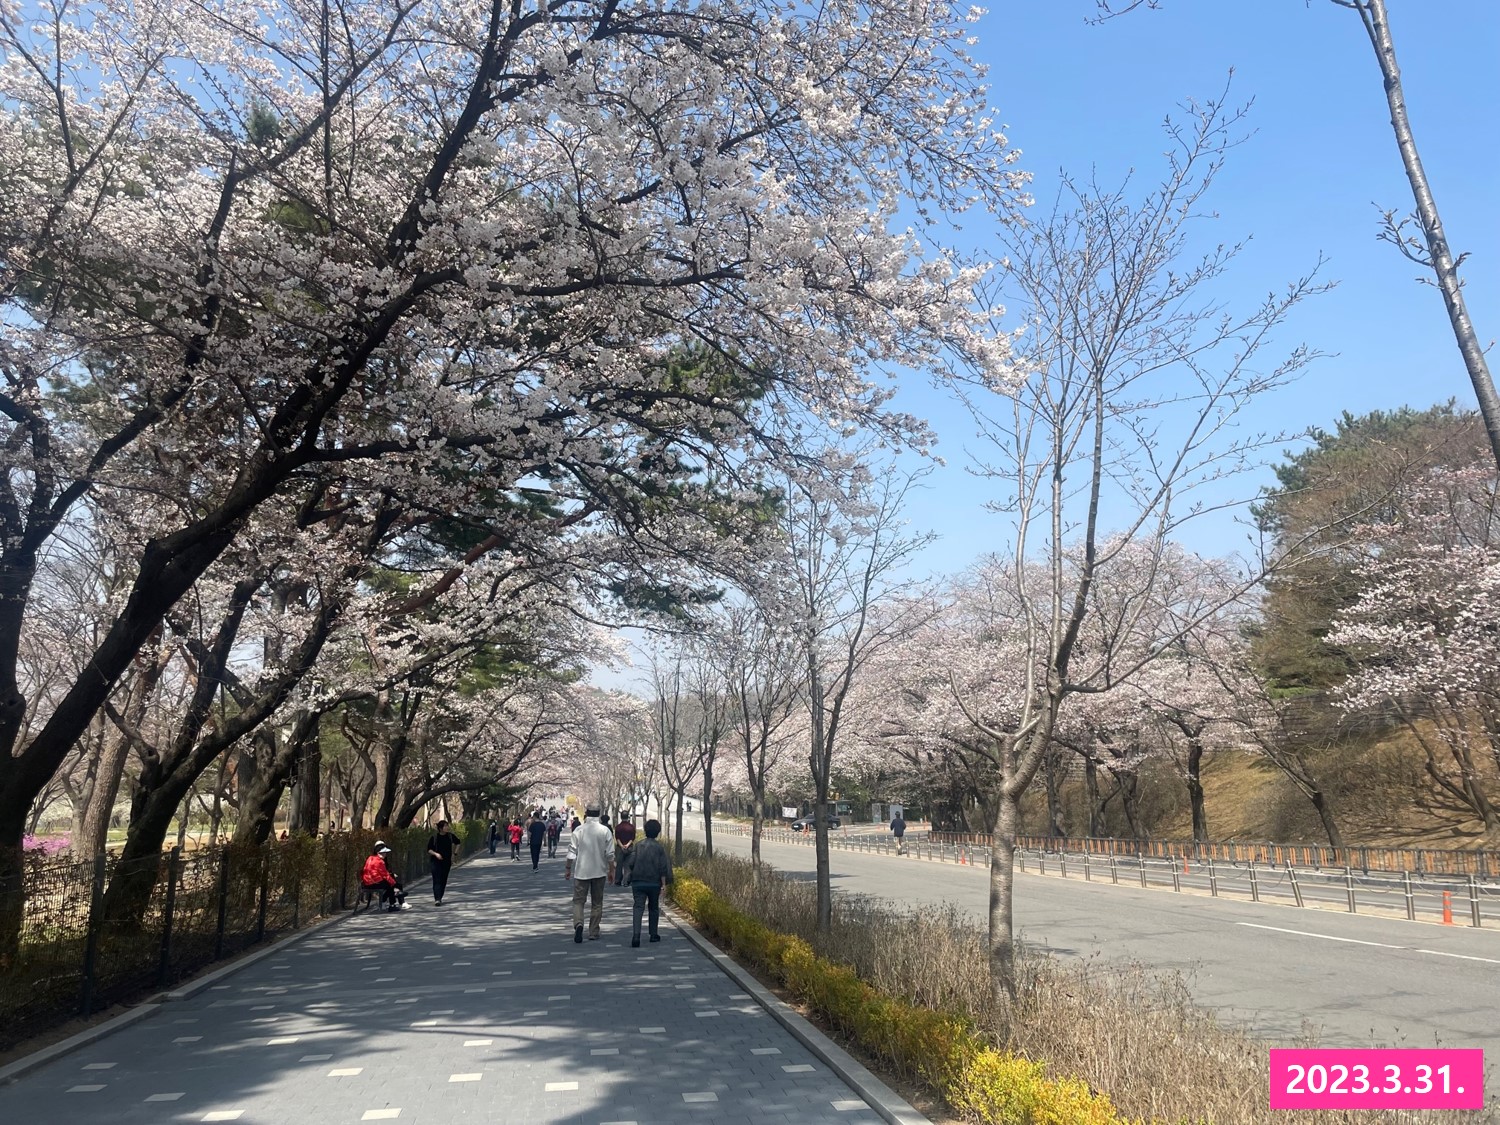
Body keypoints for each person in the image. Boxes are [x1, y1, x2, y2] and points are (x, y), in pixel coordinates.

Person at [564, 807, 614, 942]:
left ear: (586, 813)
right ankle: (593, 931)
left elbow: (572, 852)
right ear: (599, 814)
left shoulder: (579, 830)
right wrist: (612, 870)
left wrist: (568, 868)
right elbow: (610, 854)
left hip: (581, 871)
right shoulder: (605, 831)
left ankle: (578, 923)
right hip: (599, 871)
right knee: (597, 902)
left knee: (578, 901)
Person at [622, 819, 673, 947]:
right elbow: (663, 868)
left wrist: (628, 876)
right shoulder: (659, 848)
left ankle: (636, 936)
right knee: (653, 908)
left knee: (638, 907)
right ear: (657, 832)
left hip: (638, 882)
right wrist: (664, 885)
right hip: (654, 883)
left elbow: (631, 863)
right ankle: (653, 934)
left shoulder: (638, 845)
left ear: (645, 831)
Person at [361, 842, 407, 911]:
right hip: (374, 883)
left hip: (366, 883)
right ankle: (392, 905)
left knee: (389, 885)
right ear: (378, 852)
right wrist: (394, 884)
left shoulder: (370, 858)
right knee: (391, 885)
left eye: (385, 853)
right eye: (383, 852)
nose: (385, 854)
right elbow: (385, 875)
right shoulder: (380, 862)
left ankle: (386, 901)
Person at [427, 819, 456, 904]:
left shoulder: (450, 836)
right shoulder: (434, 837)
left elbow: (458, 842)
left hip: (446, 862)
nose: (447, 827)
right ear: (440, 828)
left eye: (447, 826)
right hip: (435, 862)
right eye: (445, 826)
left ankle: (440, 897)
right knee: (436, 879)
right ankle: (437, 898)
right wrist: (436, 854)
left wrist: (455, 854)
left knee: (443, 880)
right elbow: (429, 849)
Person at [612, 815, 636, 886]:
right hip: (630, 847)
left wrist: (622, 846)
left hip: (620, 848)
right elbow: (632, 838)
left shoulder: (618, 827)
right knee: (628, 865)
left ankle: (617, 880)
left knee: (619, 865)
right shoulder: (631, 827)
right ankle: (626, 881)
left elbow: (617, 838)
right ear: (628, 817)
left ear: (621, 817)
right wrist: (627, 845)